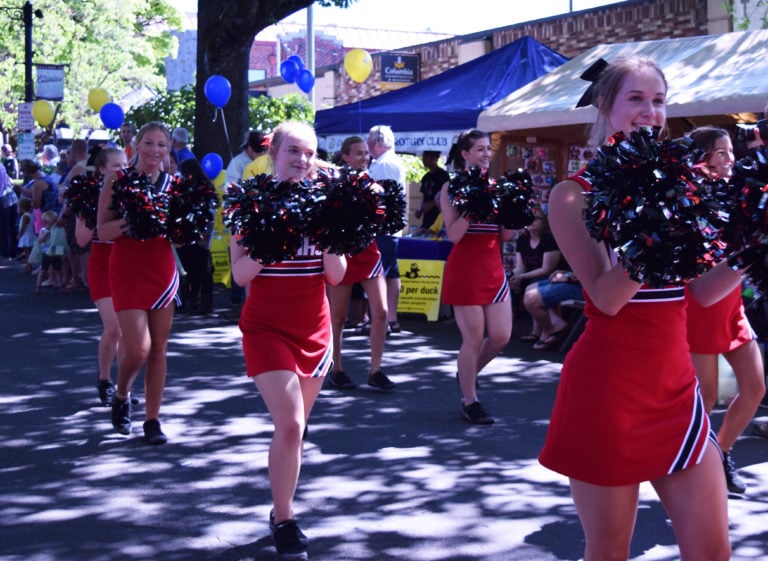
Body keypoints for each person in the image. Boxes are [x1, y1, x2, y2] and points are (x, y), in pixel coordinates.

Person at [539, 56, 739, 561]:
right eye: (636, 98)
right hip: (607, 393)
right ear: (605, 105)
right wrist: (658, 228)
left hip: (675, 389)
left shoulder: (684, 186)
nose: (650, 111)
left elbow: (702, 293)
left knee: (713, 552)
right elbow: (605, 298)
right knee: (609, 551)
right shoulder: (572, 195)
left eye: (658, 100)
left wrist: (754, 247)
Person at [229, 121, 346, 559]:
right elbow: (240, 275)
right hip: (265, 328)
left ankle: (282, 509)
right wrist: (270, 241)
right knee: (292, 424)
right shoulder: (250, 203)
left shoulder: (326, 205)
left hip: (314, 330)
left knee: (293, 431)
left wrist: (326, 232)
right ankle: (284, 517)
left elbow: (336, 275)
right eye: (293, 151)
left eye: (309, 153)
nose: (302, 160)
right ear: (274, 154)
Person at [683, 125, 765, 494]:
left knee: (754, 388)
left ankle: (722, 451)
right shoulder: (690, 198)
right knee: (708, 397)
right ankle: (694, 464)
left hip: (733, 309)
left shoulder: (742, 194)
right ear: (701, 157)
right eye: (721, 152)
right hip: (701, 307)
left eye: (732, 151)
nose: (731, 159)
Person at [97, 121, 178, 445]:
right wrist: (133, 221)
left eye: (161, 145)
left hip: (161, 271)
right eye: (149, 143)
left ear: (167, 150)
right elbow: (102, 232)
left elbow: (181, 237)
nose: (154, 150)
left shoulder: (175, 185)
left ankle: (153, 419)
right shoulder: (117, 180)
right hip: (127, 270)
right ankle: (122, 393)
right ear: (136, 146)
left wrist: (183, 229)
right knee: (139, 347)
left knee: (158, 348)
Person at [439, 129, 514, 425]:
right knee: (473, 338)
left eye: (487, 149)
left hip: (493, 268)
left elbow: (505, 235)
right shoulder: (450, 188)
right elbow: (454, 236)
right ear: (465, 154)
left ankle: (466, 372)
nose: (485, 154)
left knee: (500, 337)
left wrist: (510, 209)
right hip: (466, 269)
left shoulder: (497, 186)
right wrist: (473, 207)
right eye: (479, 149)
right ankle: (470, 400)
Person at [326, 135, 395, 391]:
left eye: (366, 153)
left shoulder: (374, 185)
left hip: (368, 251)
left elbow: (380, 221)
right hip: (343, 252)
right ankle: (336, 368)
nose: (365, 157)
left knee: (382, 311)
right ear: (345, 156)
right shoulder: (335, 185)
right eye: (358, 153)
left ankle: (375, 370)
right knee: (339, 316)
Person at [75, 147, 129, 406]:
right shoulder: (89, 194)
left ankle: (123, 389)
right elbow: (81, 239)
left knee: (131, 332)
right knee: (114, 327)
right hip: (102, 265)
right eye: (115, 165)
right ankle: (105, 379)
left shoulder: (134, 192)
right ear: (101, 169)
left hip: (130, 265)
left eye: (124, 164)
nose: (121, 169)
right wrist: (93, 212)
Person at [367, 125, 405, 333]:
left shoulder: (384, 164)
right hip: (389, 227)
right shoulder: (389, 161)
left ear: (376, 142)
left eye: (369, 141)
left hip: (383, 227)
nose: (367, 145)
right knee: (391, 274)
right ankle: (390, 319)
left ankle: (381, 319)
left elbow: (380, 198)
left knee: (380, 274)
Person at [511, 208, 568, 348]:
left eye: (535, 218)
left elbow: (547, 268)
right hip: (529, 274)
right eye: (528, 218)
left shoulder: (549, 239)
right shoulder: (522, 239)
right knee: (509, 283)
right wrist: (515, 276)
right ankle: (505, 328)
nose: (531, 221)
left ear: (543, 222)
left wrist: (521, 276)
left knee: (534, 283)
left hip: (551, 276)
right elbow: (520, 265)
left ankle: (537, 330)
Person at [176, 157, 216, 315]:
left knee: (203, 269)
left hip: (202, 234)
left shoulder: (205, 188)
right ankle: (195, 300)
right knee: (192, 268)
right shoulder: (186, 187)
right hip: (188, 233)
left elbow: (210, 212)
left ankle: (206, 303)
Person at [523, 268, 583, 351]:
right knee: (530, 287)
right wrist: (565, 273)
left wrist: (568, 276)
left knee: (531, 297)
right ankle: (556, 322)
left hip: (588, 288)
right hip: (577, 280)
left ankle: (549, 329)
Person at [415, 150, 448, 230]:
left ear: (434, 158)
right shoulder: (426, 177)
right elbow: (424, 197)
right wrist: (420, 209)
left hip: (438, 217)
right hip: (426, 219)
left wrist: (431, 204)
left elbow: (446, 196)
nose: (423, 160)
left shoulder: (443, 175)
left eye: (425, 157)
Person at [16, 197, 36, 271]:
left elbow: (23, 228)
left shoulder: (25, 216)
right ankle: (28, 265)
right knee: (27, 252)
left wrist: (19, 235)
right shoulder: (29, 215)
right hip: (29, 235)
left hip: (27, 236)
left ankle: (29, 265)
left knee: (27, 252)